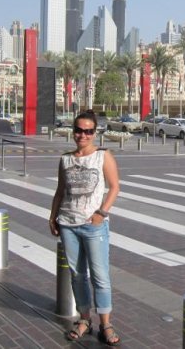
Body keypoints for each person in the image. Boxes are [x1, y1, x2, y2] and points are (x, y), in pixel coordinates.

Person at [49, 110, 121, 346]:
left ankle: (106, 324)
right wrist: (53, 216)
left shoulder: (103, 155)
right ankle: (84, 319)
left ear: (94, 133)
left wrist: (102, 213)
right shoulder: (66, 159)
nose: (83, 135)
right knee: (78, 276)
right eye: (79, 130)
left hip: (93, 226)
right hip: (68, 224)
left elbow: (115, 187)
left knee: (100, 276)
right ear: (73, 132)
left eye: (88, 131)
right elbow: (60, 191)